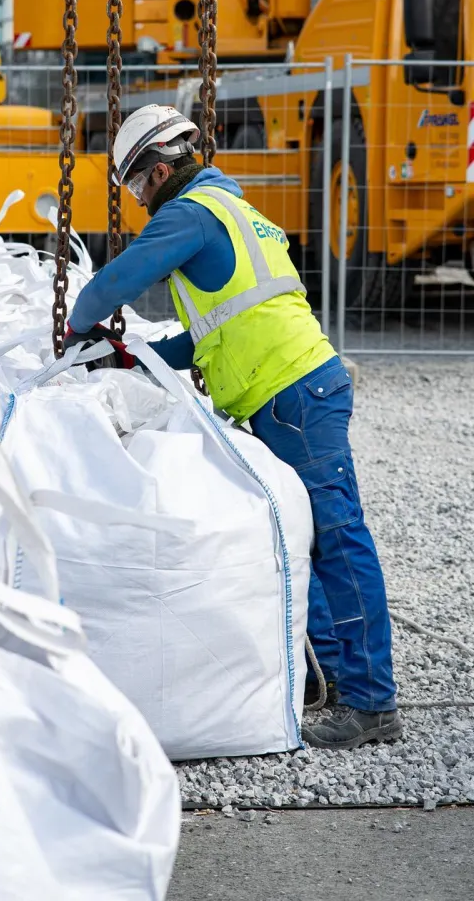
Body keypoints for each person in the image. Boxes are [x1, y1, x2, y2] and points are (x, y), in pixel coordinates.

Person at [63, 104, 401, 750]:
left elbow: (116, 282)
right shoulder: (231, 209)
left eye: (136, 188)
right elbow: (212, 332)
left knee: (338, 537)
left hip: (294, 393)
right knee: (308, 534)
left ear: (158, 171)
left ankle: (372, 701)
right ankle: (334, 674)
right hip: (294, 392)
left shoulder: (189, 214)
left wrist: (77, 324)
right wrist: (131, 358)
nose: (139, 203)